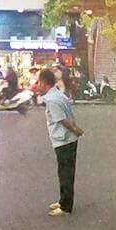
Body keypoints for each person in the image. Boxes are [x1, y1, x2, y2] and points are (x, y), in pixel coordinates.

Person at [36, 67, 84, 216]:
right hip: (66, 140)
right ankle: (63, 200)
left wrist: (76, 130)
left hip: (64, 140)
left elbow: (63, 120)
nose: (38, 85)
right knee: (64, 172)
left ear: (44, 83)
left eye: (39, 82)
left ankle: (65, 207)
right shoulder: (58, 95)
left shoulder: (52, 100)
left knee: (65, 174)